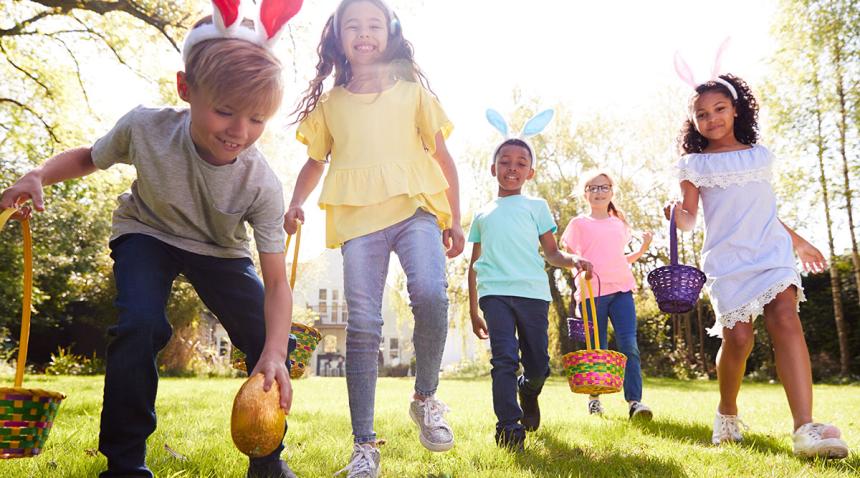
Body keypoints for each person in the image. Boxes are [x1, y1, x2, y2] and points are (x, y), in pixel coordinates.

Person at [0, 4, 303, 476]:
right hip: (147, 232)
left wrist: (274, 354)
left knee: (267, 340)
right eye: (224, 111)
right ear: (186, 88)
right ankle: (124, 465)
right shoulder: (145, 127)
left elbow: (277, 285)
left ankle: (267, 460)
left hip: (220, 252)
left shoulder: (262, 184)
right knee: (139, 324)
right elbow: (88, 158)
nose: (240, 132)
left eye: (258, 119)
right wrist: (37, 174)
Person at [285, 0, 464, 475]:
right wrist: (296, 201)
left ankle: (425, 397)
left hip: (415, 209)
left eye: (373, 26)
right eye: (353, 27)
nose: (364, 34)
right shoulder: (330, 105)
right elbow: (315, 162)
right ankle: (364, 446)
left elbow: (444, 160)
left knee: (429, 293)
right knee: (363, 326)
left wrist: (456, 218)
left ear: (389, 33)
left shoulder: (413, 94)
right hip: (358, 220)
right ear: (338, 37)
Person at [669, 72, 849, 458]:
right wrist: (676, 214)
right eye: (702, 114)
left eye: (719, 108)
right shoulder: (694, 165)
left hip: (771, 253)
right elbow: (688, 221)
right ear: (694, 122)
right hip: (727, 260)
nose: (712, 118)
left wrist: (798, 242)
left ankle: (805, 428)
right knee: (738, 340)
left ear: (735, 109)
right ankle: (727, 411)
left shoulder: (759, 155)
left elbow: (764, 211)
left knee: (785, 316)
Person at [468, 137, 592, 450]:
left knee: (538, 365)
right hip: (494, 293)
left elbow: (552, 253)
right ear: (493, 168)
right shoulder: (482, 214)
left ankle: (529, 392)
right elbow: (474, 265)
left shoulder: (536, 207)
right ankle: (509, 428)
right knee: (504, 360)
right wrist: (473, 310)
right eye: (505, 161)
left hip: (533, 294)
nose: (512, 168)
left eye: (521, 163)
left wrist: (573, 260)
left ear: (531, 173)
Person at [561, 171, 654, 421]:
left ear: (612, 191)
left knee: (629, 346)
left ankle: (635, 402)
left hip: (622, 290)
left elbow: (619, 259)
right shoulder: (578, 224)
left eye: (604, 187)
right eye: (593, 188)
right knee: (596, 347)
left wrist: (643, 249)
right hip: (592, 293)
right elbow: (570, 259)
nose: (599, 192)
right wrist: (579, 276)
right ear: (585, 193)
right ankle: (594, 399)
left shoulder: (620, 223)